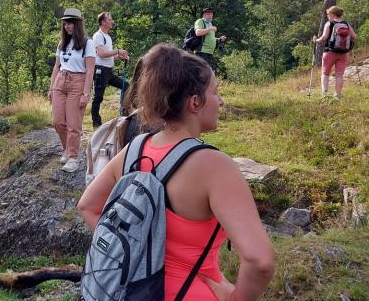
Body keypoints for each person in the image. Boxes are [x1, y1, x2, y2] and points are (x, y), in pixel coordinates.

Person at [78, 44, 274, 300]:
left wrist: (132, 257)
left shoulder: (134, 149)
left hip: (134, 291)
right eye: (215, 92)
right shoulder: (214, 166)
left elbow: (88, 206)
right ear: (195, 102)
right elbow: (260, 261)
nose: (221, 101)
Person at [48, 8, 96, 173]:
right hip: (61, 80)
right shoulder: (62, 43)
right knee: (57, 120)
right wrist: (51, 88)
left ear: (78, 24)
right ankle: (67, 149)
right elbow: (56, 66)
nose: (67, 26)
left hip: (78, 81)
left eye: (71, 23)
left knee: (73, 124)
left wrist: (85, 93)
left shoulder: (87, 43)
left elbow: (90, 70)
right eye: (65, 23)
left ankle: (73, 158)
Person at [91, 11, 130, 128]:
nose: (112, 21)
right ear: (103, 22)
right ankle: (96, 123)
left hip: (108, 71)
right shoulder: (98, 36)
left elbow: (109, 55)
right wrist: (118, 51)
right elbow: (102, 54)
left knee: (126, 86)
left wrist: (120, 56)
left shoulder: (107, 37)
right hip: (100, 70)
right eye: (110, 20)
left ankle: (124, 112)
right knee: (98, 97)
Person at [314, 5, 358, 99]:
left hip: (330, 52)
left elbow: (324, 38)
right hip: (344, 53)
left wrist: (316, 41)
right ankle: (338, 95)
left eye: (328, 14)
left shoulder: (329, 23)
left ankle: (325, 95)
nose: (327, 16)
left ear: (332, 14)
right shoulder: (346, 24)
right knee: (339, 75)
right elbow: (355, 37)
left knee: (325, 73)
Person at [193, 7, 227, 72]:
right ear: (204, 15)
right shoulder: (200, 21)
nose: (210, 16)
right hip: (201, 52)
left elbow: (210, 39)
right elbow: (198, 32)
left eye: (211, 14)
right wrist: (210, 29)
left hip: (209, 52)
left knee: (206, 73)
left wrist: (219, 39)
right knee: (202, 73)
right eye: (208, 14)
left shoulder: (210, 24)